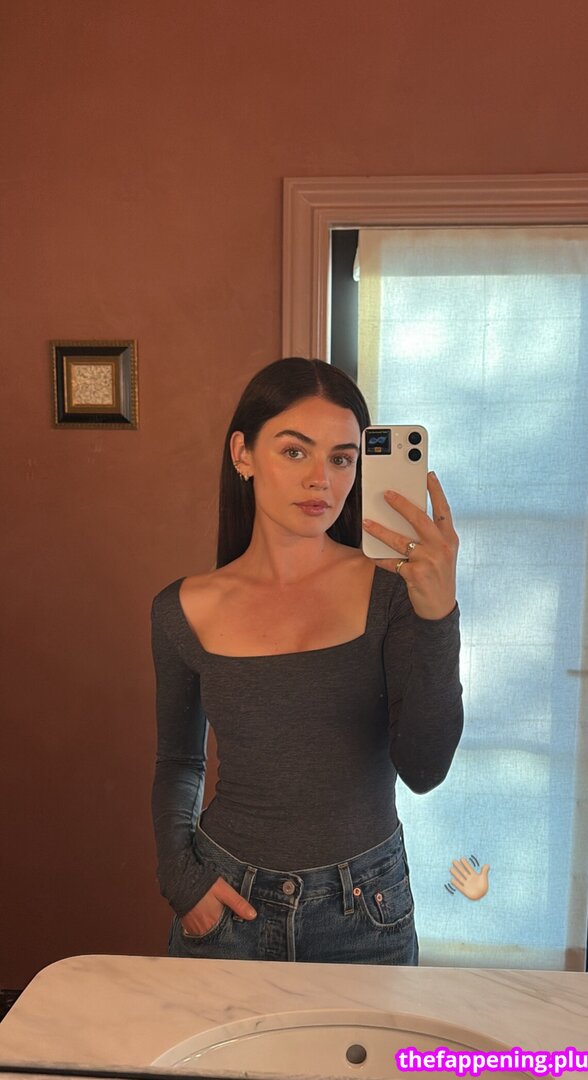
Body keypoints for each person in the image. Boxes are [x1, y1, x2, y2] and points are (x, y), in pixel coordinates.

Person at [151, 357, 463, 965]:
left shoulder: (394, 592)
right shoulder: (180, 610)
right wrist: (182, 881)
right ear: (243, 454)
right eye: (295, 452)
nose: (321, 479)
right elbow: (179, 762)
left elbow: (425, 769)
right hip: (226, 904)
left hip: (365, 911)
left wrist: (438, 616)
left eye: (342, 459)